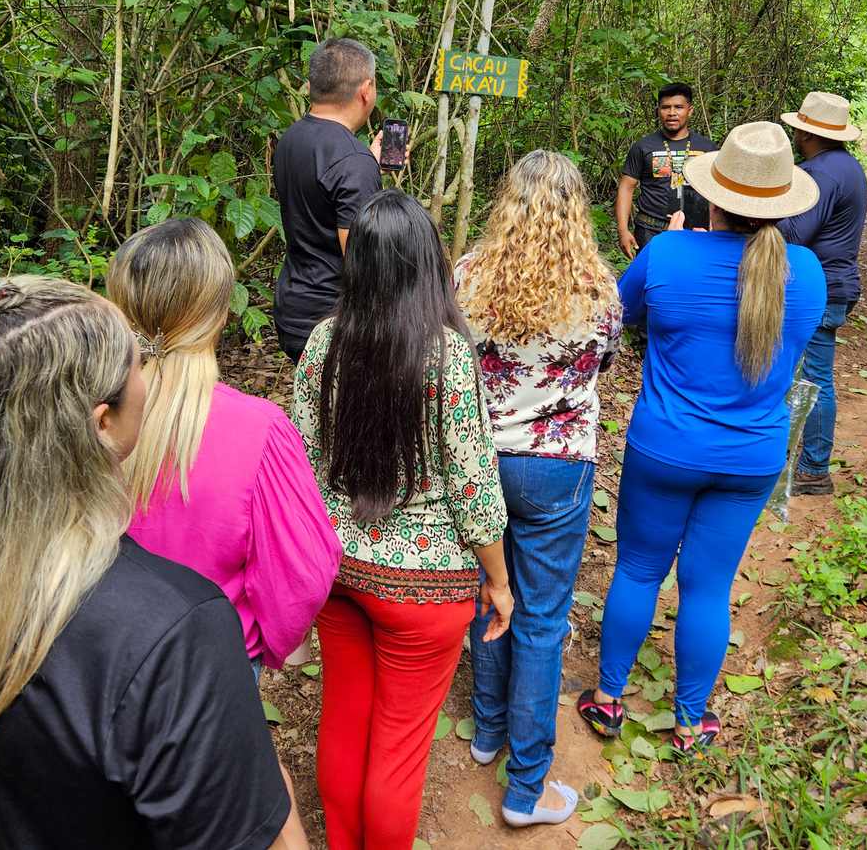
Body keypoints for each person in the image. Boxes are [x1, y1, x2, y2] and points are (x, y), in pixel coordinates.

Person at [0, 271, 306, 850]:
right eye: (139, 365)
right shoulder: (175, 630)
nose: (149, 379)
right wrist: (273, 796)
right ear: (102, 423)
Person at [578, 123, 825, 757]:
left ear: (711, 194)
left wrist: (678, 243)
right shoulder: (806, 271)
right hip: (752, 456)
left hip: (665, 445)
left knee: (638, 568)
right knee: (710, 587)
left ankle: (608, 698)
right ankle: (690, 721)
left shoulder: (667, 253)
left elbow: (617, 317)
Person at [290, 189, 513, 850]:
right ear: (427, 264)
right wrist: (499, 581)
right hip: (424, 588)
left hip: (338, 570)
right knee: (398, 749)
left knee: (344, 719)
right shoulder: (446, 354)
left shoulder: (325, 341)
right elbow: (474, 486)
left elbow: (303, 461)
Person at [453, 151, 623, 827]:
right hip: (557, 465)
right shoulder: (598, 287)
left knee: (488, 592)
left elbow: (452, 356)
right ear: (577, 210)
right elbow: (604, 361)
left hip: (481, 460)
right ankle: (526, 786)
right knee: (542, 619)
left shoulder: (468, 275)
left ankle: (487, 727)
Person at [108, 218, 342, 676]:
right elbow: (304, 574)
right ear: (219, 317)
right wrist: (265, 643)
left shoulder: (84, 417)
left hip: (99, 660)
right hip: (213, 663)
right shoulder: (261, 430)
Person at [272, 37, 390, 361]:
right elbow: (362, 264)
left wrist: (368, 166)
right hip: (333, 324)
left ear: (312, 87)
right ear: (366, 90)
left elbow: (320, 198)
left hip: (293, 310)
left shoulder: (291, 138)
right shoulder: (352, 161)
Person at [778, 92, 867, 496]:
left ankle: (814, 469)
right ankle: (796, 459)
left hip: (819, 287)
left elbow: (796, 233)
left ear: (805, 133)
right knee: (803, 375)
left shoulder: (821, 173)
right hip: (832, 282)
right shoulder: (846, 165)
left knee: (815, 379)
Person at [615, 82, 718, 257]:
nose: (672, 113)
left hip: (695, 232)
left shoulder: (707, 147)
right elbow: (626, 188)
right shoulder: (642, 147)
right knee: (652, 274)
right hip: (650, 231)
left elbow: (716, 189)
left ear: (690, 111)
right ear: (658, 111)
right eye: (665, 107)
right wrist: (622, 230)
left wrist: (716, 227)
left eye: (678, 107)